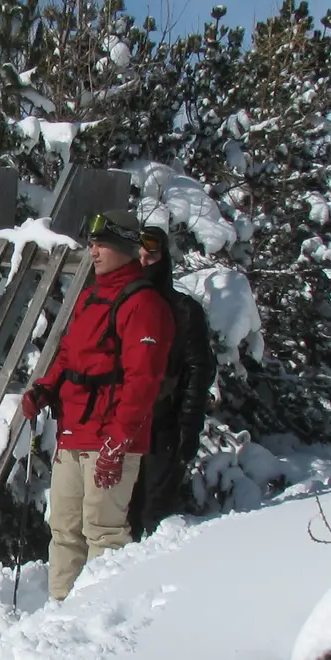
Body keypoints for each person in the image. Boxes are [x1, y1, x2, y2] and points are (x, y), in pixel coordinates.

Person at [21, 208, 175, 601]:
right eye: (91, 243)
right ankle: (60, 611)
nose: (93, 251)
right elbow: (68, 355)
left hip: (109, 439)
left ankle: (97, 621)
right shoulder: (92, 296)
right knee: (64, 530)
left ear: (125, 246)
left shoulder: (145, 305)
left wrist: (118, 440)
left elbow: (144, 380)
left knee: (103, 532)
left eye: (101, 243)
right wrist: (44, 389)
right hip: (73, 433)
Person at [127, 225, 217, 539]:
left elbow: (199, 370)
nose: (143, 262)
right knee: (118, 517)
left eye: (150, 255)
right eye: (137, 255)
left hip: (163, 426)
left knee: (154, 514)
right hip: (122, 428)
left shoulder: (184, 310)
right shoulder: (123, 305)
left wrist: (189, 426)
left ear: (163, 258)